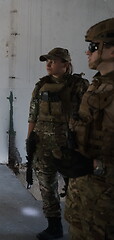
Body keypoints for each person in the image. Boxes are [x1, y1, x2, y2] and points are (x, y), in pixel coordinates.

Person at [26, 47, 89, 240]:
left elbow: (88, 117)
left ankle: (80, 227)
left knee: (76, 188)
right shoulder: (41, 85)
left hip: (69, 146)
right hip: (43, 144)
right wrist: (29, 140)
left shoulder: (79, 85)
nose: (48, 64)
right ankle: (54, 227)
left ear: (66, 64)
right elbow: (33, 115)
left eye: (53, 61)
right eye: (47, 61)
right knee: (46, 186)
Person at [65, 17, 114, 240]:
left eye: (93, 47)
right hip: (86, 189)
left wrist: (97, 166)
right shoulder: (97, 84)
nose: (87, 52)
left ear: (111, 50)